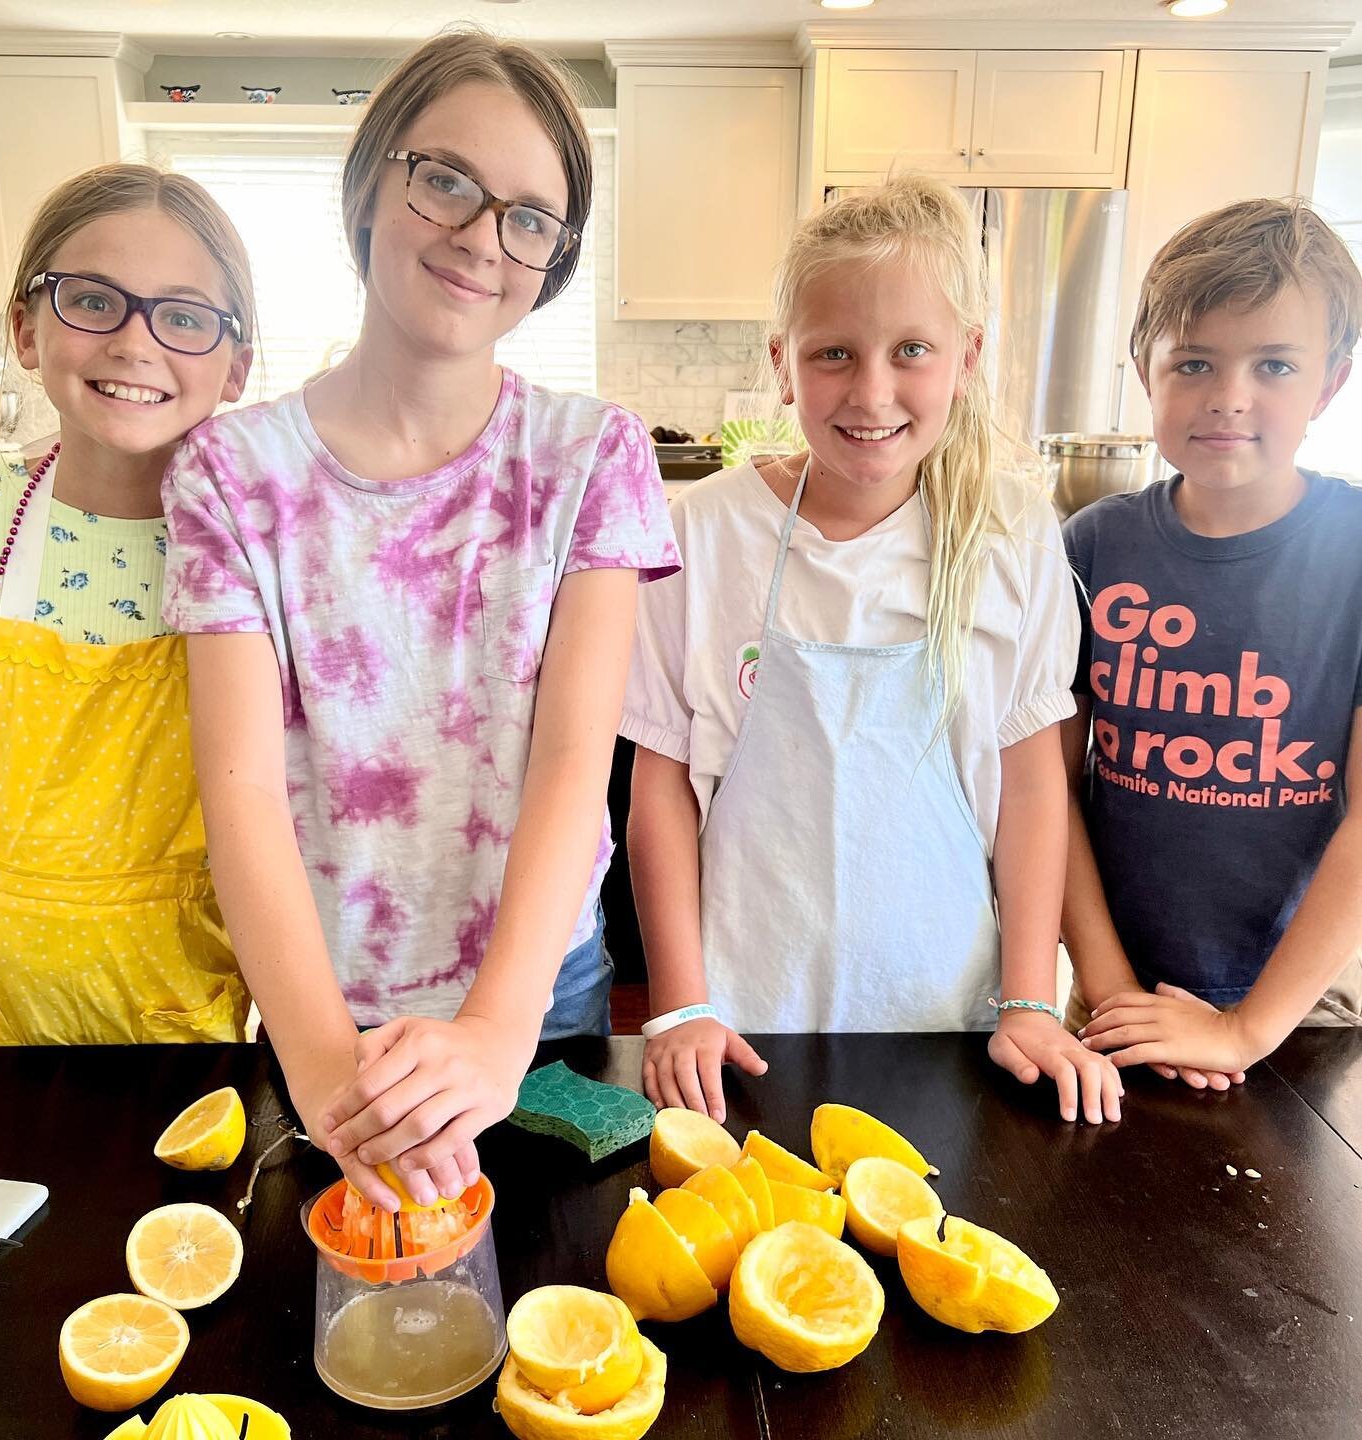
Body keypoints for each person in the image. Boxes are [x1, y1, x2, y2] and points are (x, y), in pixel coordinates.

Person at [162, 30, 679, 1209]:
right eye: (445, 179)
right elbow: (238, 793)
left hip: (539, 995)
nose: (480, 238)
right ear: (368, 183)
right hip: (321, 1004)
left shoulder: (593, 455)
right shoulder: (229, 474)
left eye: (529, 219)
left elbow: (570, 760)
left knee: (556, 1306)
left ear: (553, 259)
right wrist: (327, 1071)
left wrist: (497, 1033)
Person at [624, 176, 1121, 1126]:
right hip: (743, 1018)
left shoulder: (1010, 535)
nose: (872, 392)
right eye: (834, 354)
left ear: (966, 359)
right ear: (783, 362)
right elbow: (663, 782)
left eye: (912, 352)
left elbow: (1030, 786)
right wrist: (680, 1000)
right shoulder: (702, 535)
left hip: (951, 1018)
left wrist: (1026, 996)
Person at [0, 164, 255, 1044]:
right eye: (93, 300)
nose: (135, 343)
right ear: (26, 331)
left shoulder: (258, 561)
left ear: (237, 368)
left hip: (169, 1035)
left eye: (183, 316)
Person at [1066, 198, 1362, 1085]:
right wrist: (1111, 989)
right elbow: (1046, 784)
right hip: (1115, 998)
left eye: (1274, 364)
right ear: (1144, 370)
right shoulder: (1091, 547)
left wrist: (1244, 1031)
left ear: (1330, 383)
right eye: (1194, 362)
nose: (1229, 397)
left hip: (1300, 1011)